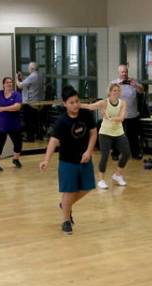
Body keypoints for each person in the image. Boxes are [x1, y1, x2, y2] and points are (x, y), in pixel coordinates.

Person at [39, 86, 97, 236]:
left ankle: (65, 204)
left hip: (84, 160)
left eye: (77, 101)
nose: (75, 105)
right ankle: (66, 220)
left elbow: (93, 133)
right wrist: (46, 160)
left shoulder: (86, 115)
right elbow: (53, 141)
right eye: (71, 102)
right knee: (69, 191)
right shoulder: (61, 122)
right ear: (65, 104)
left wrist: (89, 151)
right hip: (67, 162)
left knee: (87, 187)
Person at [81, 82, 129, 189]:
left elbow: (121, 118)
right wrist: (77, 104)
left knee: (126, 153)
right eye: (114, 91)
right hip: (105, 133)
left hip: (118, 132)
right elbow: (90, 106)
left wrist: (110, 118)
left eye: (118, 91)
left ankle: (117, 175)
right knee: (105, 156)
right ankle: (101, 180)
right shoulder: (104, 103)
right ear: (110, 92)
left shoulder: (123, 103)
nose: (116, 92)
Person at [112, 64, 145, 160]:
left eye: (125, 72)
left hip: (132, 114)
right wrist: (118, 86)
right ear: (119, 73)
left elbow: (142, 90)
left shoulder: (133, 81)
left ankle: (135, 153)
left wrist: (135, 85)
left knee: (133, 136)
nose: (124, 74)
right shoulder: (114, 83)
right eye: (122, 72)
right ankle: (115, 153)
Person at [17, 61, 45, 141]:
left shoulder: (32, 76)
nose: (28, 69)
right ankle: (39, 136)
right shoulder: (40, 75)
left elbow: (20, 85)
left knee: (28, 121)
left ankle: (30, 137)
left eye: (29, 68)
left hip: (30, 103)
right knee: (36, 121)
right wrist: (22, 79)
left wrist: (16, 78)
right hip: (39, 102)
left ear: (32, 68)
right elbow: (29, 84)